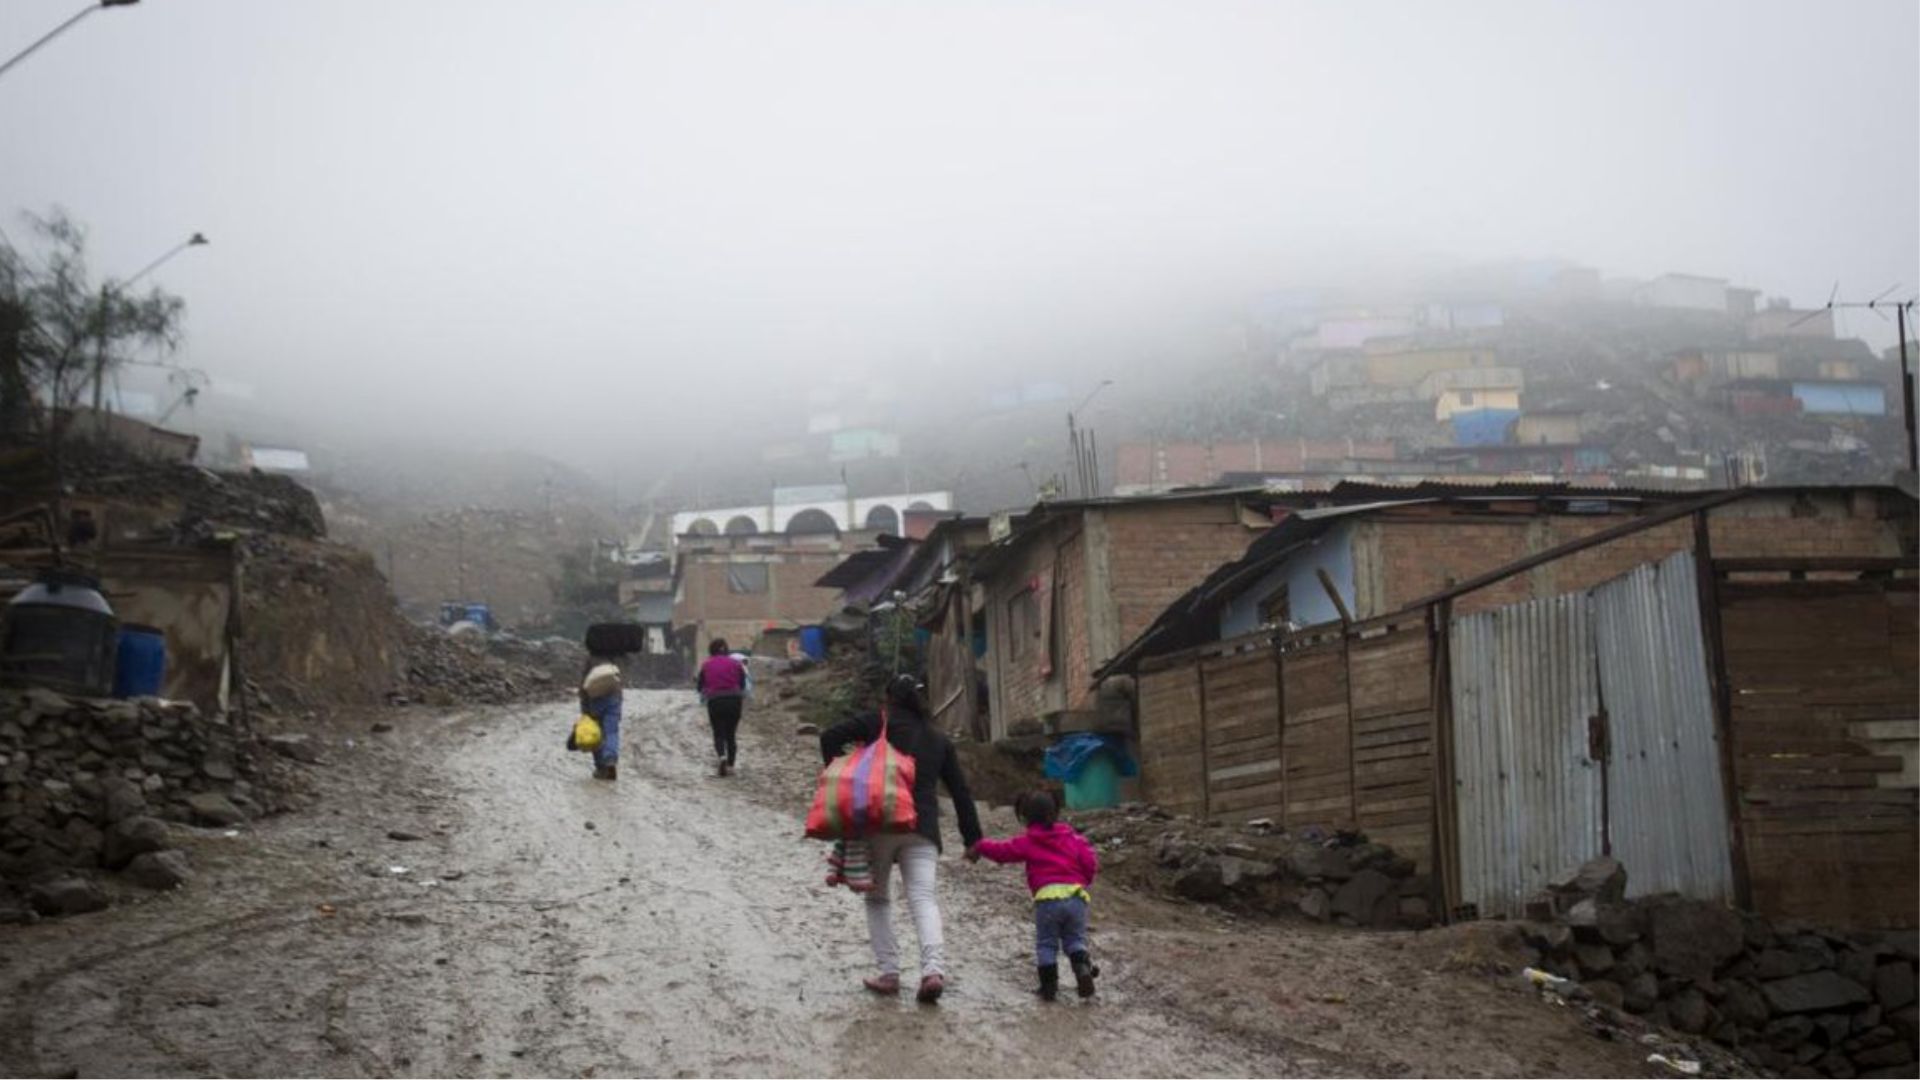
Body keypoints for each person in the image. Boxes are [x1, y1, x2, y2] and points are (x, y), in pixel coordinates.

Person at [819, 674, 984, 1005]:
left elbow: (829, 737)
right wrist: (973, 838)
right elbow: (960, 792)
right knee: (923, 898)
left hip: (879, 824)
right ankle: (933, 972)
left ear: (888, 697)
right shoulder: (939, 739)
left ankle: (890, 973)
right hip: (922, 828)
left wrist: (848, 773)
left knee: (878, 899)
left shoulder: (877, 722)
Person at [967, 790, 1101, 1000]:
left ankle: (1048, 988)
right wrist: (1084, 881)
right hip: (1076, 897)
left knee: (1046, 943)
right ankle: (1082, 970)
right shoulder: (1074, 839)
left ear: (1025, 818)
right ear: (1056, 813)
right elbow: (1090, 862)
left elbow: (1003, 851)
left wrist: (980, 846)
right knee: (1075, 940)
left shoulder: (1028, 842)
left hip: (1047, 899)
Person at [695, 639, 748, 776]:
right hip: (734, 700)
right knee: (731, 734)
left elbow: (700, 686)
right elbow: (742, 684)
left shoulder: (706, 665)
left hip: (716, 701)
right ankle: (731, 765)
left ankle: (722, 756)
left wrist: (705, 692)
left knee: (719, 732)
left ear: (711, 650)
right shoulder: (736, 664)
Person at [578, 658, 623, 781]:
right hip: (613, 697)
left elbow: (584, 685)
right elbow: (619, 680)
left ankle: (601, 767)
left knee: (596, 732)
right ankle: (610, 760)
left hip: (595, 699)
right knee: (611, 731)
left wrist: (584, 709)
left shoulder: (591, 659)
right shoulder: (614, 657)